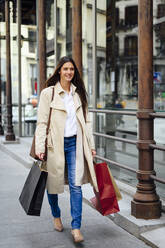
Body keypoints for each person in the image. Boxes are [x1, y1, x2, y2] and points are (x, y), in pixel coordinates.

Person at [35, 56, 98, 243]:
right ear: (59, 71)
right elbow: (42, 122)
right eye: (65, 69)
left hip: (74, 145)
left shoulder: (79, 94)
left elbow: (87, 123)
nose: (69, 72)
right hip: (54, 146)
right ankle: (56, 215)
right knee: (53, 186)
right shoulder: (49, 93)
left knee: (76, 185)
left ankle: (76, 228)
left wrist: (91, 146)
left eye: (71, 69)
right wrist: (40, 147)